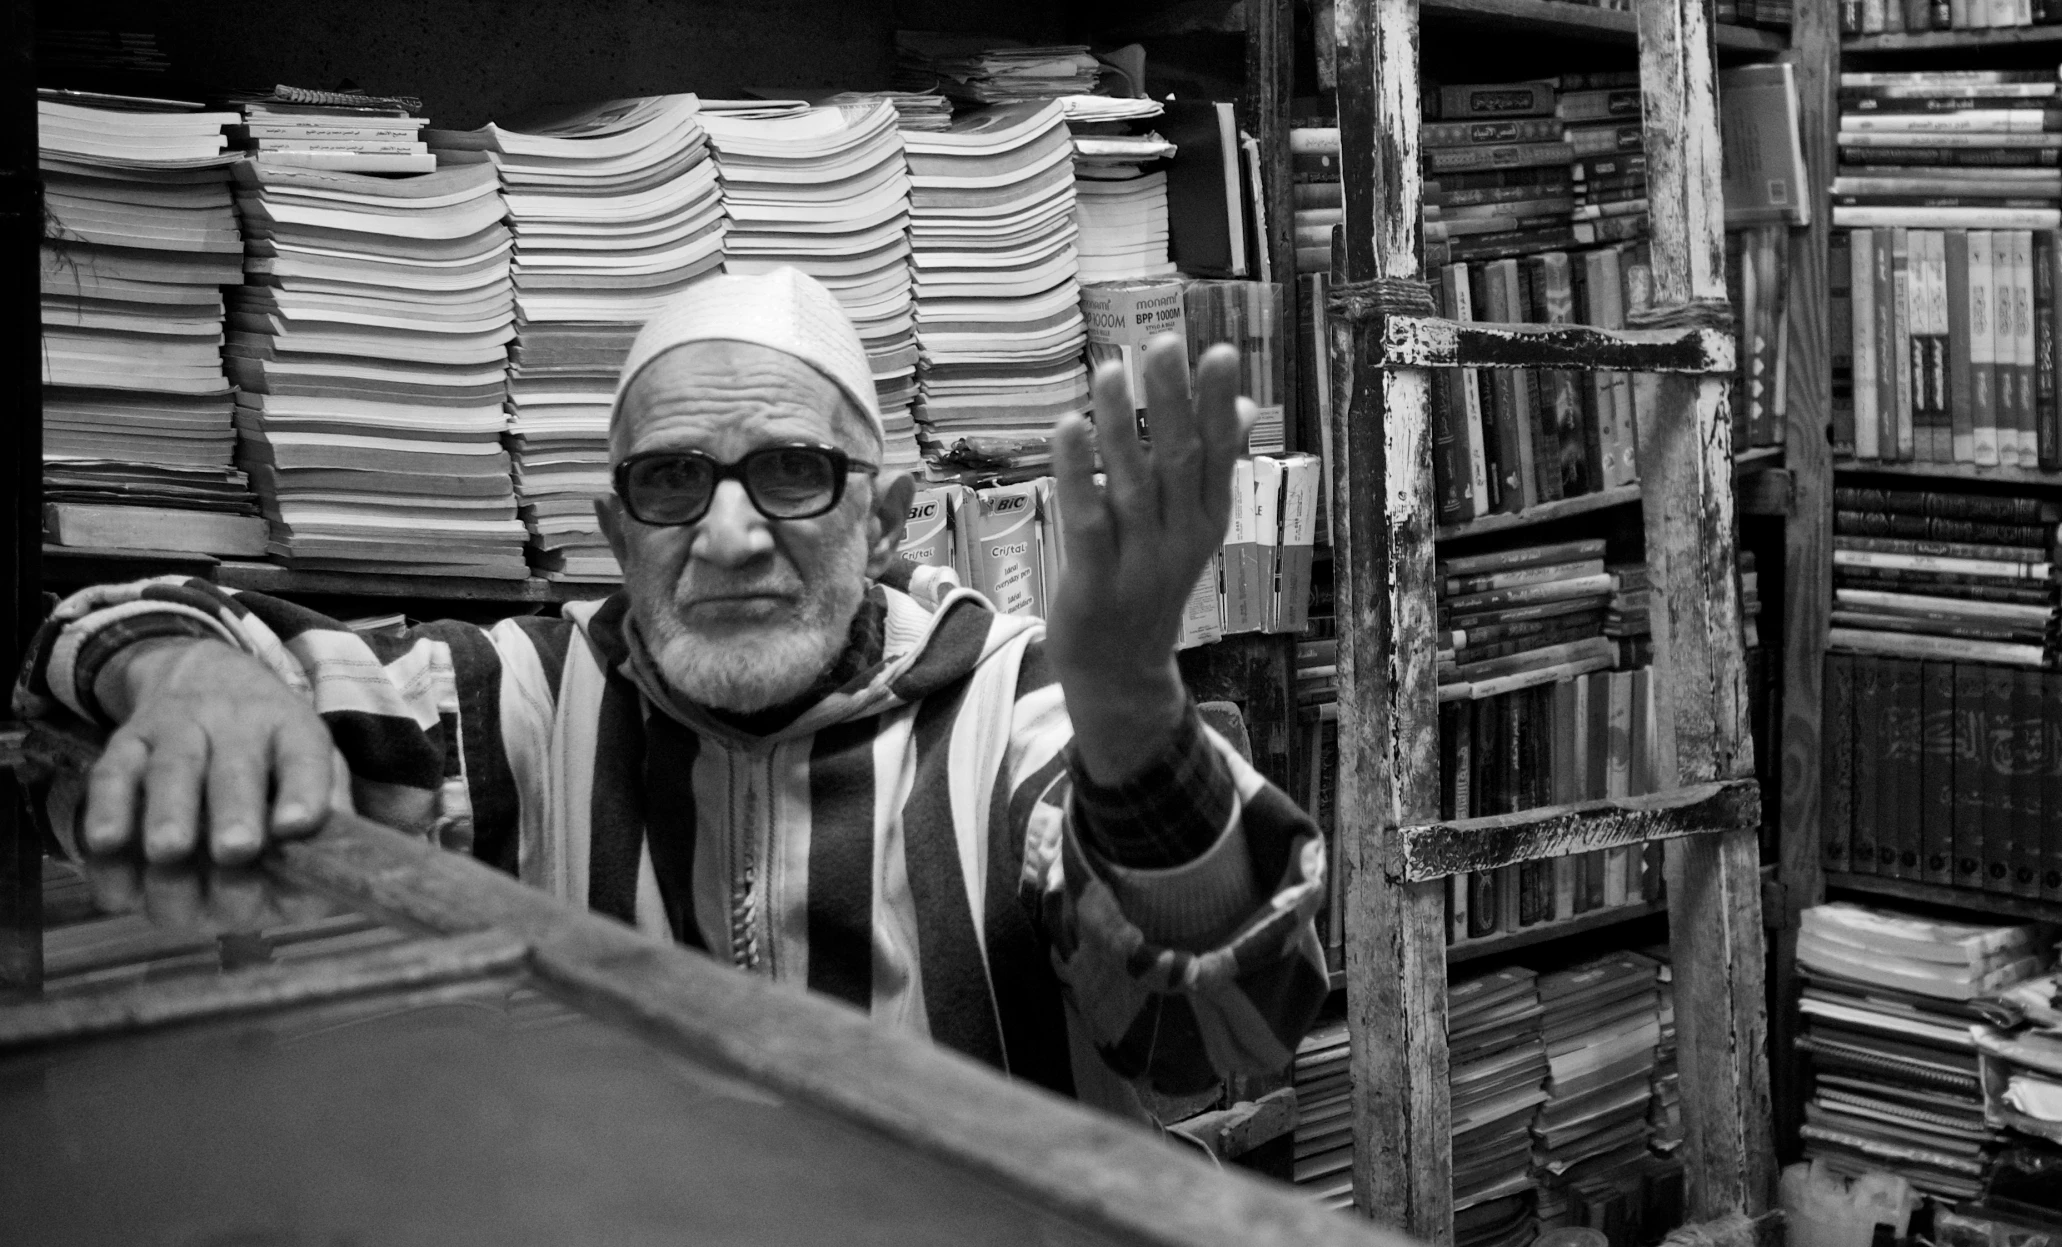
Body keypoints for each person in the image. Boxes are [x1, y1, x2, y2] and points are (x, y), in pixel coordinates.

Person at [17, 268, 1328, 1116]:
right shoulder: (528, 699)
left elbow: (1225, 1034)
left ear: (888, 522)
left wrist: (1129, 702)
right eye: (672, 481)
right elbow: (86, 661)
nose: (731, 533)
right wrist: (193, 673)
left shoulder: (1016, 706)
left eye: (794, 472)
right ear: (616, 524)